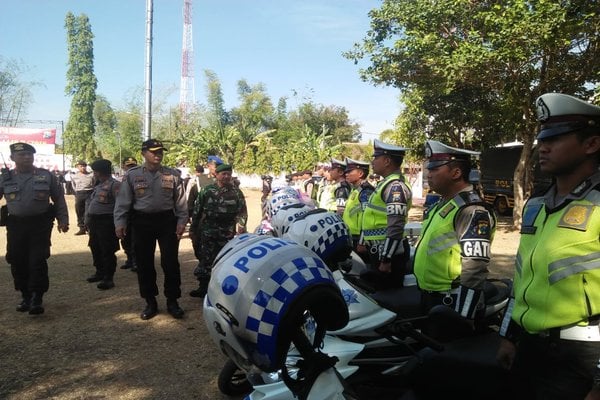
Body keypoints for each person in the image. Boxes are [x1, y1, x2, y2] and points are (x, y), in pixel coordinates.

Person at [496, 93, 600, 400]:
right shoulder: (537, 205)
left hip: (580, 357)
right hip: (529, 347)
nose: (543, 146)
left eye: (555, 138)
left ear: (591, 144)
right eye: (542, 138)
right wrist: (509, 336)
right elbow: (521, 278)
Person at [414, 140, 495, 320]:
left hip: (453, 302)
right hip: (432, 296)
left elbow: (475, 267)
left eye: (435, 169)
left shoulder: (472, 210)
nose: (429, 173)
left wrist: (464, 315)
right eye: (429, 168)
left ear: (456, 173)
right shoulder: (444, 204)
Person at [114, 139, 188, 320]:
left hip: (166, 221)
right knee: (144, 263)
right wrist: (120, 222)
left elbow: (180, 201)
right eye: (153, 151)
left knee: (170, 262)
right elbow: (123, 201)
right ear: (143, 153)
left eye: (160, 151)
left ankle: (172, 301)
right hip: (142, 222)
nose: (158, 155)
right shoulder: (132, 175)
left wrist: (181, 221)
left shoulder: (172, 175)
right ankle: (150, 301)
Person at [0, 142, 69, 314]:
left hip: (40, 224)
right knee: (16, 259)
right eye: (22, 155)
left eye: (29, 155)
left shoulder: (46, 176)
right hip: (15, 225)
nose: (26, 157)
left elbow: (59, 198)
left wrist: (63, 219)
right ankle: (25, 296)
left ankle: (37, 298)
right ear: (12, 158)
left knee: (37, 260)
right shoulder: (5, 177)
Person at [358, 139, 412, 288]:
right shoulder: (385, 183)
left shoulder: (395, 187)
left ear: (387, 161)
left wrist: (386, 259)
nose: (372, 161)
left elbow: (396, 225)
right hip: (379, 250)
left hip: (389, 254)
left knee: (389, 296)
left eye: (376, 157)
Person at [189, 163, 247, 298]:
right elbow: (197, 211)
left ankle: (221, 288)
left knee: (225, 260)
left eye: (229, 174)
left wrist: (242, 226)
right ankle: (203, 288)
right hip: (208, 230)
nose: (226, 176)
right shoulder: (207, 190)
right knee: (205, 259)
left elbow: (242, 212)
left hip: (227, 233)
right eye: (223, 174)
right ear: (217, 175)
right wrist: (193, 229)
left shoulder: (237, 192)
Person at [84, 159, 121, 290]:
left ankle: (108, 277)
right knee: (95, 246)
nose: (94, 174)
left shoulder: (114, 185)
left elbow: (119, 205)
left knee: (107, 249)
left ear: (98, 172)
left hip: (107, 222)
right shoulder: (98, 185)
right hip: (95, 222)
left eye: (94, 171)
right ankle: (99, 272)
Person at [342, 157, 375, 259]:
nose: (346, 174)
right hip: (351, 236)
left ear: (360, 173)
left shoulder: (366, 191)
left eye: (350, 171)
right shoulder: (355, 190)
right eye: (346, 172)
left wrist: (362, 242)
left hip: (360, 239)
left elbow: (368, 217)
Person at [119, 157, 138, 271]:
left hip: (136, 212)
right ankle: (129, 259)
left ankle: (136, 261)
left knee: (135, 238)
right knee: (125, 238)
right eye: (129, 166)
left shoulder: (140, 177)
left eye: (133, 165)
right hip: (125, 212)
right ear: (123, 166)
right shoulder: (120, 179)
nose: (131, 168)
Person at [71, 160, 95, 235]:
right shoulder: (74, 176)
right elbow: (73, 185)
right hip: (79, 193)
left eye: (84, 166)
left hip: (89, 193)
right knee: (79, 211)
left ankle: (88, 227)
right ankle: (81, 228)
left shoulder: (91, 175)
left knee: (88, 212)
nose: (83, 168)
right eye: (81, 166)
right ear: (77, 167)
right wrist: (77, 193)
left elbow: (94, 183)